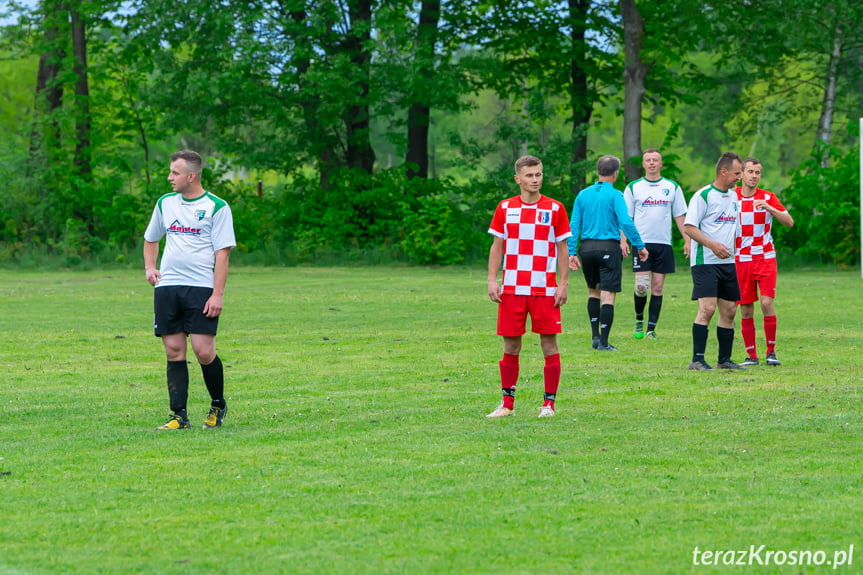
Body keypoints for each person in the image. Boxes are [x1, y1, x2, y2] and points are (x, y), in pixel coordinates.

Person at [144, 150, 236, 430]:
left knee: (203, 351)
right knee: (173, 349)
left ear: (191, 176)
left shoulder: (217, 207)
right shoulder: (165, 203)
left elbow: (223, 255)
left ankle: (218, 404)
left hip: (200, 288)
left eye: (175, 173)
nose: (170, 177)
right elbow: (151, 239)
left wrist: (217, 295)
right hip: (168, 287)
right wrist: (150, 267)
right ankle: (178, 416)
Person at [486, 155, 571, 418]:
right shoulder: (505, 208)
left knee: (549, 346)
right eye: (530, 175)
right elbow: (497, 245)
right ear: (518, 179)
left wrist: (563, 283)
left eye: (539, 174)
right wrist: (492, 279)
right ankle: (507, 405)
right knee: (510, 347)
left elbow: (563, 247)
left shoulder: (555, 209)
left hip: (544, 289)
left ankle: (549, 405)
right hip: (512, 288)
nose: (535, 179)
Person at [568, 155, 648, 351]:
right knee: (608, 295)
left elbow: (574, 225)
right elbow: (626, 222)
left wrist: (572, 252)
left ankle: (595, 337)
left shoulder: (583, 195)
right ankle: (604, 342)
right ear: (615, 173)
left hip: (586, 249)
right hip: (608, 248)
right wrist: (639, 245)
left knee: (593, 291)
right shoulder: (616, 195)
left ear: (597, 172)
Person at [621, 148, 691, 340]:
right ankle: (638, 320)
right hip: (641, 243)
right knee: (641, 288)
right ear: (643, 164)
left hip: (663, 244)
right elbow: (627, 217)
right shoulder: (634, 187)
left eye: (655, 160)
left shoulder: (672, 187)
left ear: (660, 164)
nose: (651, 163)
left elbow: (680, 216)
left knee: (658, 288)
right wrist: (623, 239)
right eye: (648, 160)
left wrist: (688, 240)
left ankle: (651, 329)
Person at [683, 152, 744, 371]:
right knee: (707, 309)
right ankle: (697, 359)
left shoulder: (735, 196)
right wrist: (713, 245)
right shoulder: (703, 196)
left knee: (729, 311)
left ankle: (724, 360)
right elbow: (689, 227)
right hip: (705, 262)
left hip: (728, 263)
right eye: (737, 173)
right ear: (723, 171)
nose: (740, 177)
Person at [735, 157, 794, 366]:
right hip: (741, 259)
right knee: (745, 308)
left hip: (765, 257)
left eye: (757, 172)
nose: (754, 176)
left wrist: (771, 208)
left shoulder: (768, 197)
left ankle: (771, 352)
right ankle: (751, 356)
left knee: (767, 302)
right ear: (740, 174)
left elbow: (789, 222)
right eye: (750, 172)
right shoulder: (731, 197)